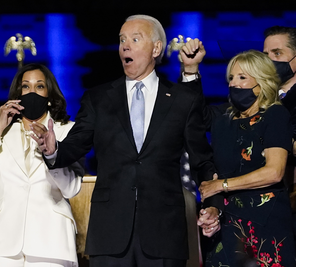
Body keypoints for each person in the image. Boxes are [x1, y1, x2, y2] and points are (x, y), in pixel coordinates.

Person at [34, 14, 221, 267]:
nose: (125, 46)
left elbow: (202, 160)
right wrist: (53, 150)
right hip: (110, 233)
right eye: (122, 40)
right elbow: (75, 146)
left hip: (164, 233)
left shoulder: (182, 100)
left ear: (156, 48)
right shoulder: (98, 98)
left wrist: (213, 205)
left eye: (135, 39)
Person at [0, 63, 82, 267]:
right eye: (26, 87)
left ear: (49, 95)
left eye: (39, 86)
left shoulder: (67, 130)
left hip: (52, 242)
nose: (32, 92)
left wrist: (52, 153)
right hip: (0, 245)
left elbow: (71, 188)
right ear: (17, 95)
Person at [197, 50, 295, 267]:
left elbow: (274, 171)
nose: (234, 84)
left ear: (261, 82)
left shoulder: (275, 115)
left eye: (242, 77)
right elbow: (215, 175)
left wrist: (222, 185)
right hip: (228, 226)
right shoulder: (223, 123)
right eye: (231, 78)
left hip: (266, 225)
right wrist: (212, 211)